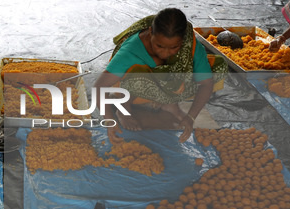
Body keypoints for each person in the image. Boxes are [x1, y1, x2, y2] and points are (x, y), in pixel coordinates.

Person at [94, 8, 227, 143]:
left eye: (174, 47)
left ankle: (169, 103)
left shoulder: (190, 46)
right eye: (159, 46)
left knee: (217, 69)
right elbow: (100, 86)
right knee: (138, 78)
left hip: (164, 83)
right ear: (151, 32)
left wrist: (190, 117)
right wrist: (109, 120)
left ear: (182, 40)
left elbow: (206, 84)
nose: (165, 53)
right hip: (132, 84)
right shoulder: (132, 50)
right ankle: (124, 107)